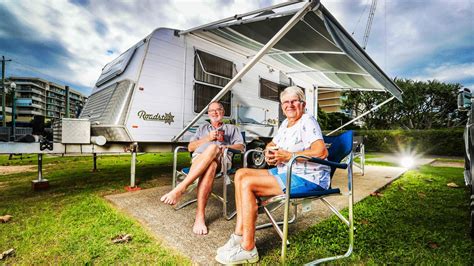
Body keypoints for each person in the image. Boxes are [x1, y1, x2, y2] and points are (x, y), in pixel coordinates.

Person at [215, 86, 331, 264]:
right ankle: (239, 236)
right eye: (286, 102)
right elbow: (272, 143)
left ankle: (248, 248)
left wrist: (289, 156)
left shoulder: (307, 120)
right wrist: (269, 151)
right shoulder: (286, 123)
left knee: (248, 183)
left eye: (294, 101)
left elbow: (321, 152)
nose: (290, 105)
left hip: (308, 178)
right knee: (240, 174)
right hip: (286, 171)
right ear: (282, 106)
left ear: (303, 104)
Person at [161, 101, 245, 235]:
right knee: (210, 165)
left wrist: (226, 147)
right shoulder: (202, 128)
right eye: (212, 111)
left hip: (222, 160)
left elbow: (241, 147)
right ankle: (199, 217)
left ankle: (181, 187)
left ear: (223, 112)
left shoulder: (231, 128)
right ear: (208, 113)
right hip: (199, 159)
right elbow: (190, 147)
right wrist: (207, 138)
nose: (215, 113)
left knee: (214, 148)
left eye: (218, 110)